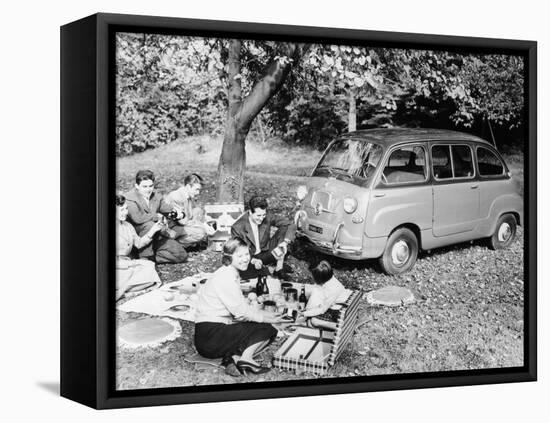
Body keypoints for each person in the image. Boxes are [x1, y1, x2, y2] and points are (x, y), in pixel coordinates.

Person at [194, 237, 284, 377]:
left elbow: (240, 306)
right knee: (268, 329)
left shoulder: (228, 272)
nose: (245, 259)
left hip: (209, 335)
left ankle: (233, 358)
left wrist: (267, 315)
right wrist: (266, 318)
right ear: (229, 257)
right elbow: (241, 313)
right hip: (210, 336)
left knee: (259, 326)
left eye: (247, 254)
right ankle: (246, 359)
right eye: (240, 256)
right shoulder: (226, 277)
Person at [124, 170, 188, 263]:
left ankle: (150, 257)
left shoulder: (156, 195)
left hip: (156, 234)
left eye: (151, 186)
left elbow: (166, 208)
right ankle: (145, 258)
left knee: (181, 255)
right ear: (137, 186)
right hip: (137, 239)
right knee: (149, 225)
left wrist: (178, 213)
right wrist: (158, 216)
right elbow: (138, 219)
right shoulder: (129, 198)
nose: (148, 189)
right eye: (144, 186)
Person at [231, 195, 296, 280]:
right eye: (258, 216)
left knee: (285, 228)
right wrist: (253, 260)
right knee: (242, 271)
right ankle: (270, 270)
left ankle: (279, 268)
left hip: (267, 252)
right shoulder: (237, 227)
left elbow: (290, 224)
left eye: (263, 215)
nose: (261, 218)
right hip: (251, 257)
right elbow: (238, 252)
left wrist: (285, 242)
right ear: (250, 212)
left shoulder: (267, 215)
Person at [116, 194, 163, 301]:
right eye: (121, 210)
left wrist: (154, 230)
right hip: (118, 267)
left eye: (126, 209)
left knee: (150, 268)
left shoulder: (127, 226)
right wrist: (133, 263)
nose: (126, 212)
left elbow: (139, 243)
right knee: (146, 270)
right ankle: (123, 291)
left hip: (127, 265)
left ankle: (126, 289)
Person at [164, 173, 215, 249]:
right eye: (196, 189)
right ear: (188, 186)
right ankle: (173, 245)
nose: (198, 193)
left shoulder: (187, 194)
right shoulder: (177, 197)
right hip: (169, 229)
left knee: (198, 211)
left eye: (199, 190)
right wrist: (204, 226)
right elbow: (183, 222)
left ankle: (190, 238)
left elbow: (190, 214)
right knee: (201, 233)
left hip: (179, 223)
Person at [298, 260, 350, 330]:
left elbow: (322, 309)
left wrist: (304, 313)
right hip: (334, 306)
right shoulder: (328, 279)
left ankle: (338, 326)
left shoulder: (333, 289)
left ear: (318, 278)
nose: (311, 277)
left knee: (313, 321)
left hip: (337, 312)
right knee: (310, 319)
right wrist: (306, 311)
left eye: (312, 276)